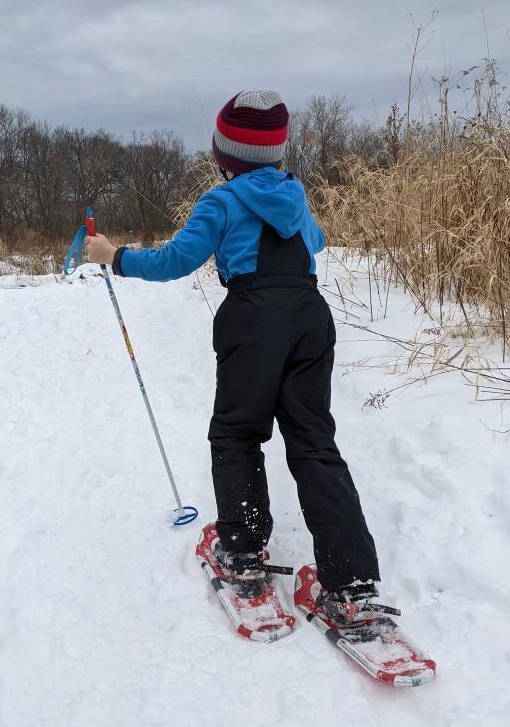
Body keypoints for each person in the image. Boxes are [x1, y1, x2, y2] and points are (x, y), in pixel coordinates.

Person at [86, 90, 381, 624]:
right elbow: (314, 241)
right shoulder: (295, 195)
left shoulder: (220, 203)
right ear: (276, 153)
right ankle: (350, 579)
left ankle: (243, 554)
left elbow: (176, 259)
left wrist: (117, 257)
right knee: (314, 441)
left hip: (253, 319)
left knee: (238, 432)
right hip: (310, 319)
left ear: (224, 155)